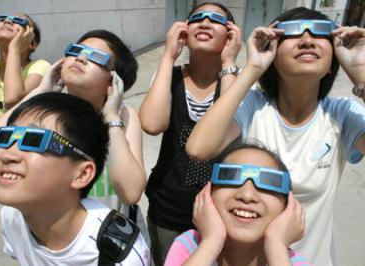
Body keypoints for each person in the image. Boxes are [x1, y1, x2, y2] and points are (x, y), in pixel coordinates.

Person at [186, 7, 365, 265]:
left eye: (319, 34)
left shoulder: (342, 114)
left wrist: (359, 71)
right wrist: (253, 68)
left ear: (332, 62)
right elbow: (198, 148)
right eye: (293, 33)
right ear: (273, 55)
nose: (306, 40)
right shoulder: (253, 106)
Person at [0, 29, 149, 245]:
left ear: (113, 79)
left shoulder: (123, 116)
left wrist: (111, 118)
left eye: (95, 57)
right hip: (54, 240)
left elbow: (131, 192)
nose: (80, 58)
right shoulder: (46, 113)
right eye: (75, 50)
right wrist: (40, 92)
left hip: (107, 242)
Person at [0, 92, 150, 265]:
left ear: (82, 174)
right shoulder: (12, 216)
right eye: (5, 137)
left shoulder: (122, 256)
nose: (8, 155)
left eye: (34, 140)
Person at [139, 2, 241, 264]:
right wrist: (167, 56)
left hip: (223, 215)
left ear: (231, 34)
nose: (205, 22)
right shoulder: (168, 77)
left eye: (215, 19)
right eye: (197, 18)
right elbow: (152, 124)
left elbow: (231, 130)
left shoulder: (241, 83)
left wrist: (230, 62)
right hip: (167, 210)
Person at [164, 143, 310, 266]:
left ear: (288, 207)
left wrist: (277, 248)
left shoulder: (293, 262)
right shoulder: (191, 246)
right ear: (207, 193)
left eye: (268, 183)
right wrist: (211, 241)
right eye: (230, 177)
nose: (247, 195)